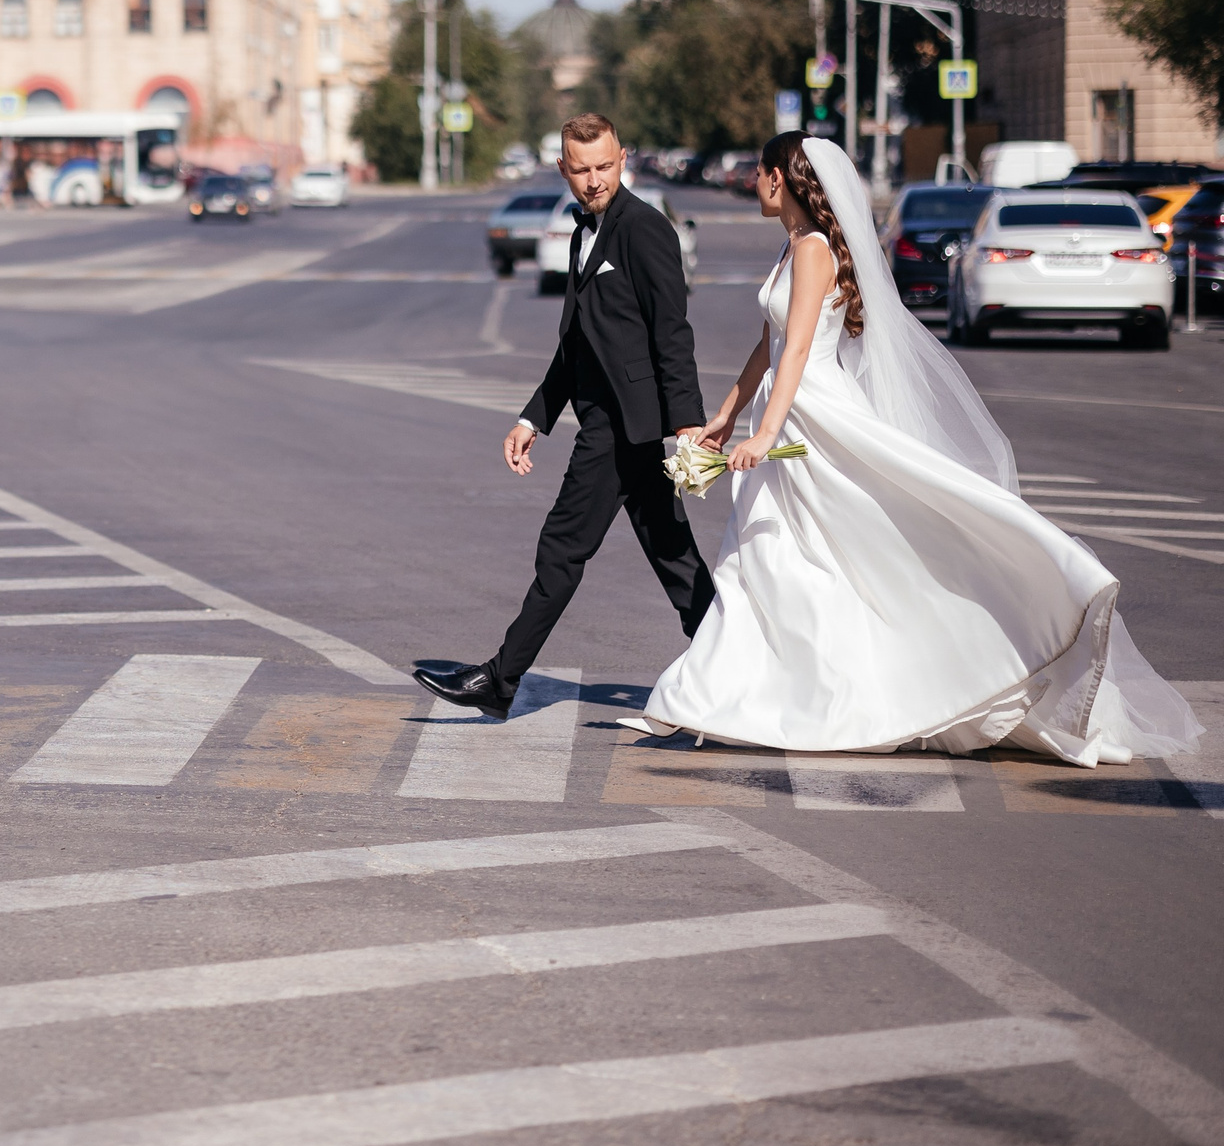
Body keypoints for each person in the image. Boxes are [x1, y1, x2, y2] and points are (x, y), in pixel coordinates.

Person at [629, 132, 1199, 762]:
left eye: (764, 173)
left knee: (850, 545)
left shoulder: (815, 250)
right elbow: (769, 344)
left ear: (779, 179)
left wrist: (765, 433)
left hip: (815, 415)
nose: (758, 183)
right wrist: (727, 413)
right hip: (786, 409)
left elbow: (796, 351)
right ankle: (715, 692)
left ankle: (856, 685)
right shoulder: (791, 248)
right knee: (764, 553)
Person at [417, 114, 714, 720]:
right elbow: (576, 347)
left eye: (604, 166)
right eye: (581, 170)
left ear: (622, 159)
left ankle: (501, 681)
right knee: (674, 556)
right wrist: (533, 419)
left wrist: (688, 426)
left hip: (622, 426)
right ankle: (744, 664)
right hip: (615, 420)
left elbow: (672, 333)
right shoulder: (584, 233)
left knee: (563, 549)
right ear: (563, 170)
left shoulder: (644, 229)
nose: (594, 180)